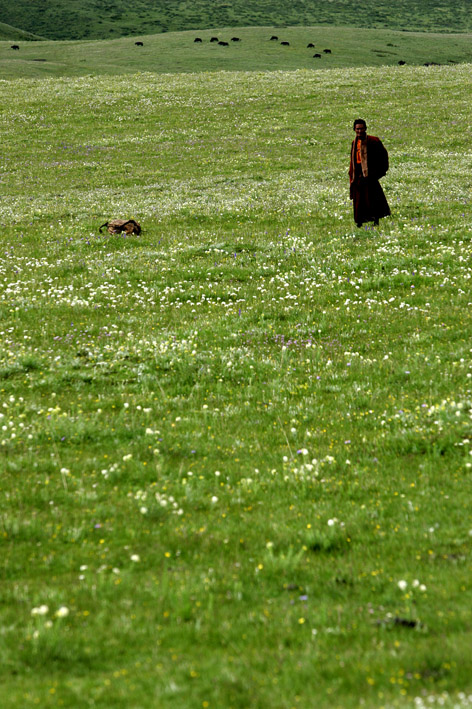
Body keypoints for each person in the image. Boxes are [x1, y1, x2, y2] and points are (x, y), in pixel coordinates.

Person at [349, 119, 390, 228]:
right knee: (359, 200)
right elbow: (352, 159)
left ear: (365, 128)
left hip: (370, 174)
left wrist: (378, 172)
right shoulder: (354, 142)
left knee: (373, 198)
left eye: (361, 128)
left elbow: (383, 156)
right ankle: (360, 222)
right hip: (358, 174)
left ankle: (375, 220)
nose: (359, 131)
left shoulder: (373, 141)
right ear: (354, 130)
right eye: (357, 129)